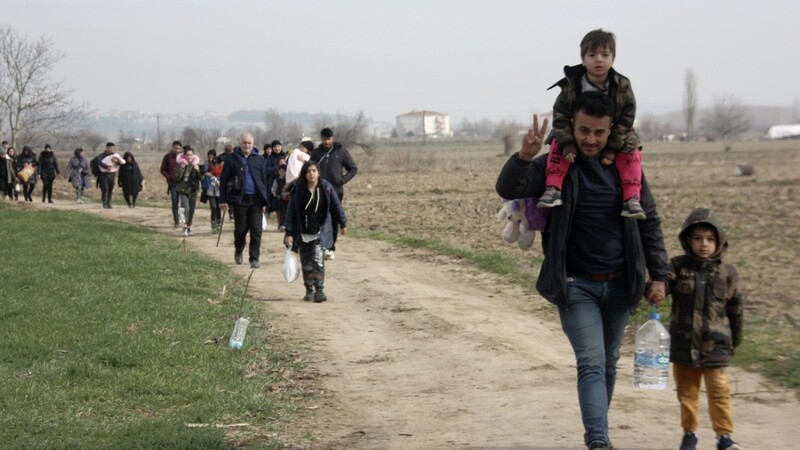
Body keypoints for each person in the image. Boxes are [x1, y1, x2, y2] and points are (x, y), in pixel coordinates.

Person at [495, 91, 669, 450]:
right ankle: (599, 442)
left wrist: (661, 274)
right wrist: (525, 158)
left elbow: (648, 222)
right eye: (584, 130)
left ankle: (598, 434)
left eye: (599, 133)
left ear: (610, 132)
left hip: (621, 286)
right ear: (572, 127)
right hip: (576, 286)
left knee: (608, 362)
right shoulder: (555, 165)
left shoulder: (626, 168)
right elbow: (509, 187)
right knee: (591, 362)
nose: (591, 139)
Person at [538, 29, 645, 221]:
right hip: (575, 131)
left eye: (605, 55)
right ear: (582, 58)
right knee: (556, 142)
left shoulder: (622, 86)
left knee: (632, 150)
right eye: (592, 55)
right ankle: (553, 188)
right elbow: (560, 116)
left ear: (613, 58)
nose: (599, 60)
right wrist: (568, 144)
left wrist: (612, 148)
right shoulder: (572, 84)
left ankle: (632, 198)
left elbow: (627, 118)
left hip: (614, 134)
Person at [667, 208, 744, 450]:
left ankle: (724, 437)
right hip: (683, 345)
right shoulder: (678, 267)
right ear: (688, 240)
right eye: (698, 238)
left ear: (719, 241)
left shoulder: (727, 273)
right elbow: (661, 287)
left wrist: (736, 339)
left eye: (710, 239)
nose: (704, 244)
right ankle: (689, 434)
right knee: (687, 394)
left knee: (719, 392)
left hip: (717, 346)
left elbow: (736, 309)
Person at [283, 161, 347, 303]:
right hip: (303, 232)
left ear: (318, 173)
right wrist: (288, 233)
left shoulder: (326, 188)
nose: (311, 174)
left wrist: (343, 223)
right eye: (308, 171)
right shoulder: (298, 190)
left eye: (314, 171)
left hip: (320, 232)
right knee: (306, 263)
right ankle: (308, 290)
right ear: (304, 174)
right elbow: (291, 212)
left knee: (318, 261)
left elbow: (336, 206)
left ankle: (319, 290)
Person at [219, 133, 271, 268]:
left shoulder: (259, 159)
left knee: (256, 231)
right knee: (241, 230)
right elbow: (224, 180)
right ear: (240, 143)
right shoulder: (231, 159)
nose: (247, 145)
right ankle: (239, 249)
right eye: (244, 143)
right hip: (239, 200)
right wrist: (223, 199)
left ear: (253, 144)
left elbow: (264, 181)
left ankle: (254, 258)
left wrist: (265, 201)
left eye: (249, 143)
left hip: (256, 200)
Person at [310, 128, 358, 259]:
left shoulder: (341, 152)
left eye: (329, 139)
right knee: (321, 219)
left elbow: (353, 168)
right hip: (319, 191)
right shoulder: (316, 153)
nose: (326, 142)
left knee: (334, 220)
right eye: (324, 139)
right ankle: (322, 246)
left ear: (333, 138)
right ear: (321, 139)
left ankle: (331, 248)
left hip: (336, 191)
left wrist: (342, 180)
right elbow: (309, 169)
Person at [174, 146, 202, 236]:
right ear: (184, 156)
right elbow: (176, 177)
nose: (189, 157)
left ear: (193, 155)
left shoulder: (196, 165)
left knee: (192, 210)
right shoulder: (181, 165)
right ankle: (184, 228)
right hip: (183, 190)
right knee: (186, 208)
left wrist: (198, 170)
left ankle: (189, 227)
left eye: (191, 155)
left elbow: (201, 178)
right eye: (187, 155)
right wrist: (182, 168)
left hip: (193, 191)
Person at [160, 141, 183, 227]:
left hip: (183, 183)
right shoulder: (167, 157)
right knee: (174, 201)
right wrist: (168, 177)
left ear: (181, 149)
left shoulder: (183, 157)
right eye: (175, 148)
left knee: (183, 202)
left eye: (178, 148)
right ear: (172, 148)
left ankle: (183, 218)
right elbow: (162, 170)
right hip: (173, 183)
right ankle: (176, 221)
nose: (177, 150)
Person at [98, 142, 125, 209]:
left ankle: (109, 203)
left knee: (110, 189)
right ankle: (104, 203)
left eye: (112, 148)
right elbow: (99, 162)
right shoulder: (102, 155)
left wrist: (116, 161)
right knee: (105, 188)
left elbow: (121, 163)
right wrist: (106, 167)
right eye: (110, 147)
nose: (111, 149)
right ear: (107, 147)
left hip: (112, 174)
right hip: (104, 175)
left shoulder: (114, 156)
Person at [204, 155, 223, 233]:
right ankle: (213, 225)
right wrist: (208, 176)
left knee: (218, 208)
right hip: (210, 191)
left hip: (219, 191)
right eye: (213, 164)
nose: (215, 165)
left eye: (216, 163)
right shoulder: (208, 170)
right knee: (213, 208)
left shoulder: (222, 170)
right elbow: (204, 179)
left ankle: (218, 223)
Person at [271, 164, 288, 231]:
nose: (282, 172)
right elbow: (273, 189)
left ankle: (286, 225)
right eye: (280, 171)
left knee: (287, 212)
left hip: (288, 198)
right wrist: (276, 195)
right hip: (280, 199)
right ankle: (281, 225)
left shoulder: (288, 179)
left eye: (284, 171)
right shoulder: (277, 180)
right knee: (282, 212)